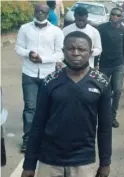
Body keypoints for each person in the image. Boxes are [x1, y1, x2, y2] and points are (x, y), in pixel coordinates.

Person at [20, 31, 112, 177]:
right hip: (49, 159)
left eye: (81, 49)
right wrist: (29, 164)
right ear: (63, 51)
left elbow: (105, 128)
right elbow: (38, 123)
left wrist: (105, 163)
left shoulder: (102, 83)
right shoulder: (50, 81)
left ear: (91, 53)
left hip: (83, 160)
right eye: (71, 48)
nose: (76, 53)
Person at [15, 3, 64, 152]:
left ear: (48, 14)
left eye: (44, 12)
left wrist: (43, 59)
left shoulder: (56, 31)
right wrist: (28, 53)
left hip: (48, 75)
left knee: (48, 108)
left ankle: (46, 138)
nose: (40, 14)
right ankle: (28, 139)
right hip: (29, 73)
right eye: (38, 11)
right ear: (34, 12)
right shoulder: (25, 28)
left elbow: (60, 54)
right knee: (30, 107)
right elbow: (18, 48)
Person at [97, 8, 124, 128]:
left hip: (119, 64)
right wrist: (96, 63)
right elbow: (97, 47)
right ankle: (100, 115)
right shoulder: (101, 28)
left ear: (122, 17)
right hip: (104, 64)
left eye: (118, 15)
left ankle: (112, 117)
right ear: (110, 15)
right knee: (103, 90)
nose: (115, 16)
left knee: (117, 90)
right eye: (113, 14)